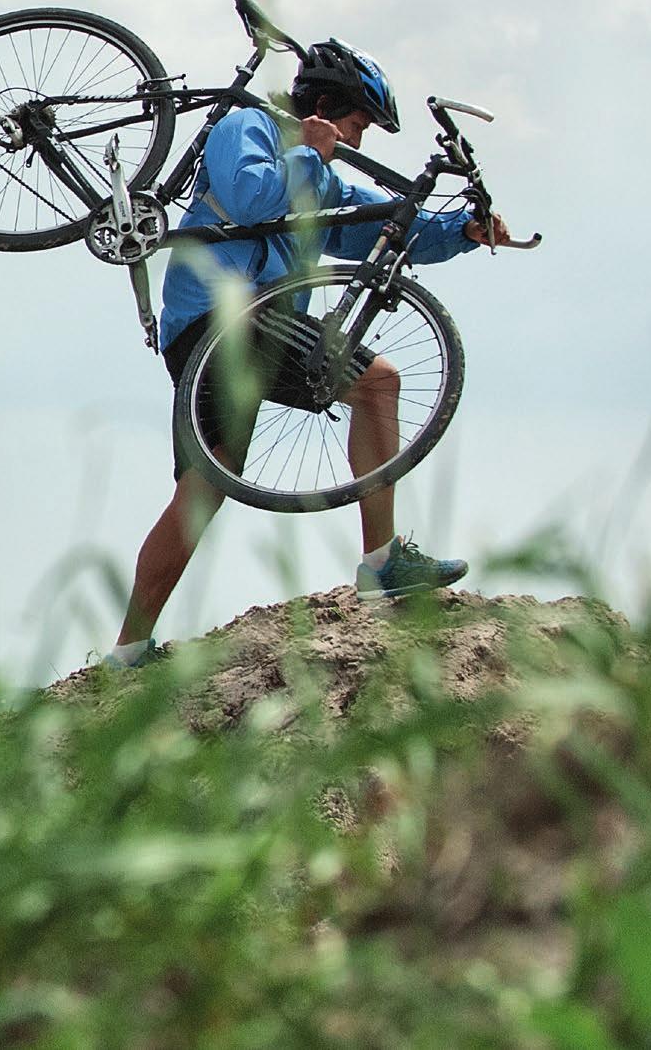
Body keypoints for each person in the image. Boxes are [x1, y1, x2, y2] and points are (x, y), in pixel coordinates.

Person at [107, 37, 509, 668]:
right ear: (322, 104)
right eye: (355, 124)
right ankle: (382, 566)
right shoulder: (249, 126)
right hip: (225, 318)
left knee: (200, 494)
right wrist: (313, 156)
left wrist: (461, 231)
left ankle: (128, 652)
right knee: (378, 383)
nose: (358, 140)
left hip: (248, 329)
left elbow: (371, 225)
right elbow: (250, 199)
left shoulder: (320, 172)